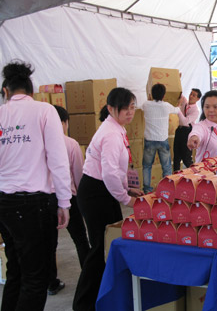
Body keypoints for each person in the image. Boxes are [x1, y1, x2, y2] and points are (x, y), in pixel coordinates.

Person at [0, 60, 71, 311]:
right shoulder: (44, 110)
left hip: (4, 202)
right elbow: (58, 159)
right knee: (35, 278)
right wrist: (64, 202)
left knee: (16, 271)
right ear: (31, 91)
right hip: (33, 204)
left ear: (6, 91)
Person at [73, 88, 143, 311]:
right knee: (100, 248)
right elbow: (110, 173)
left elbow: (114, 170)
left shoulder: (116, 127)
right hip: (96, 192)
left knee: (109, 244)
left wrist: (127, 189)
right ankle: (84, 303)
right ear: (111, 108)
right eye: (125, 108)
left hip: (103, 190)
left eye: (132, 107)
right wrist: (125, 199)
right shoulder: (112, 133)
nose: (129, 113)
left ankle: (104, 295)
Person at [48, 106, 91, 296]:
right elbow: (78, 175)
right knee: (80, 239)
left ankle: (51, 283)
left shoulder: (41, 143)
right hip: (69, 197)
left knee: (50, 243)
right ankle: (89, 278)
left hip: (47, 199)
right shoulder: (71, 144)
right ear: (65, 123)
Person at [142, 83, 181, 193]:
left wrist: (149, 99)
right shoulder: (166, 106)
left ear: (151, 94)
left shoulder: (146, 104)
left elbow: (140, 106)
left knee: (147, 166)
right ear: (164, 95)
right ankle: (166, 189)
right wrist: (181, 102)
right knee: (167, 167)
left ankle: (147, 190)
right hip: (163, 140)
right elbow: (177, 110)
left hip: (149, 140)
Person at [173, 88, 202, 172]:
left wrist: (178, 111)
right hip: (179, 130)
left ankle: (195, 174)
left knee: (186, 158)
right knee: (176, 157)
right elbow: (179, 93)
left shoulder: (196, 110)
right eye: (190, 94)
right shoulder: (185, 102)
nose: (191, 96)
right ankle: (176, 177)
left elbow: (185, 121)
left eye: (194, 95)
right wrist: (178, 79)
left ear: (198, 99)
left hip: (187, 132)